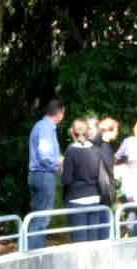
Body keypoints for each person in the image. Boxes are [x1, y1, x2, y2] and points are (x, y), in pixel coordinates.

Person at [27, 99, 65, 249]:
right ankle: (35, 255)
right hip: (44, 175)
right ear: (60, 113)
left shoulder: (41, 126)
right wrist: (59, 162)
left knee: (37, 217)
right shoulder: (46, 128)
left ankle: (31, 252)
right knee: (42, 220)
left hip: (37, 175)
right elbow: (46, 156)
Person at [62, 119, 101, 242]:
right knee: (93, 241)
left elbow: (66, 179)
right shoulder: (96, 150)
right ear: (87, 132)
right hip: (95, 198)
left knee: (79, 244)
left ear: (72, 132)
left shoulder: (71, 151)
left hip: (76, 199)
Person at [88, 117, 120, 239]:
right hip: (102, 193)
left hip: (99, 192)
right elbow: (107, 169)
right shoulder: (103, 146)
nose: (117, 133)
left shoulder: (100, 145)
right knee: (102, 231)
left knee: (100, 229)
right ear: (109, 130)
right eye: (116, 130)